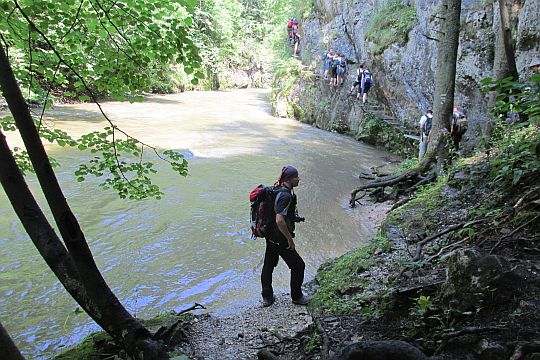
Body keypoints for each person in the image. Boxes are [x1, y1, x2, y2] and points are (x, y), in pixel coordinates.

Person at [261, 165, 309, 307]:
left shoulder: (276, 189)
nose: (299, 179)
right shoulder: (286, 195)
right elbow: (279, 220)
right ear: (290, 179)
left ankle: (267, 297)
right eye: (297, 177)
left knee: (268, 265)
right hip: (280, 237)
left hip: (269, 234)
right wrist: (289, 239)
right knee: (299, 265)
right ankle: (297, 297)